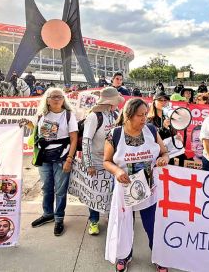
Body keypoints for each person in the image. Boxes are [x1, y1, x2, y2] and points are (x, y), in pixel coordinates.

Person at [103, 98, 169, 272]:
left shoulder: (152, 130)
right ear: (128, 115)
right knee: (124, 224)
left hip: (149, 187)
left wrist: (164, 158)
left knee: (153, 224)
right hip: (125, 189)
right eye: (140, 115)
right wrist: (117, 172)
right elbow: (106, 161)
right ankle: (124, 255)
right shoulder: (115, 134)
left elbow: (164, 152)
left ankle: (158, 256)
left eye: (146, 114)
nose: (144, 119)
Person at [25, 87, 78, 236]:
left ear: (64, 99)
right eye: (53, 96)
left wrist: (69, 159)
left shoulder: (68, 115)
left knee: (60, 191)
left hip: (62, 157)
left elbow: (74, 138)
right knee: (46, 188)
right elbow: (37, 131)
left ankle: (59, 217)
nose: (56, 99)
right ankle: (48, 214)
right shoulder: (42, 115)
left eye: (60, 96)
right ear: (47, 100)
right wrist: (27, 124)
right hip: (44, 157)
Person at [82, 87, 123, 235]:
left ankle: (111, 217)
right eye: (116, 101)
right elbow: (86, 141)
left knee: (111, 192)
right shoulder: (94, 117)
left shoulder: (116, 114)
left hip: (112, 162)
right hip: (96, 162)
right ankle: (93, 221)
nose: (118, 104)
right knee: (95, 193)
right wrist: (89, 164)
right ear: (110, 102)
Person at [147, 91, 184, 165]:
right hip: (157, 156)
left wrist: (177, 139)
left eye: (165, 100)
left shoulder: (170, 117)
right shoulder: (149, 120)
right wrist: (163, 128)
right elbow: (151, 138)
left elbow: (173, 134)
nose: (163, 102)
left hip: (171, 154)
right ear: (154, 102)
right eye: (160, 100)